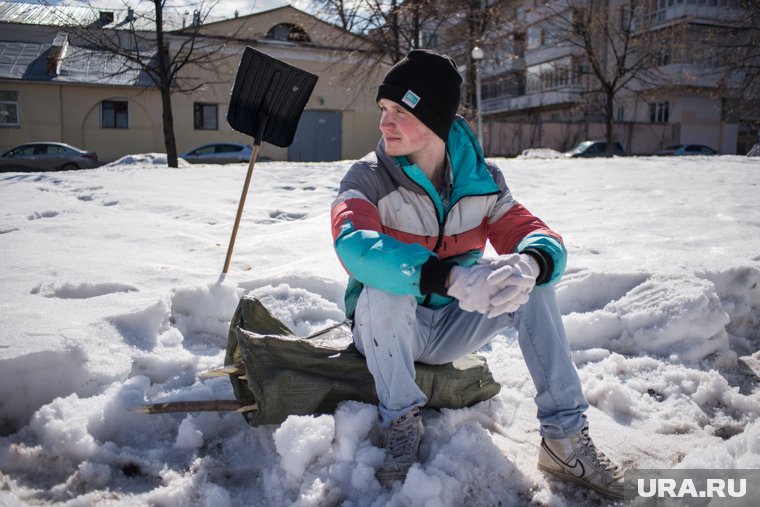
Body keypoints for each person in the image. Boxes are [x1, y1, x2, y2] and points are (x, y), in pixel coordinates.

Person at [330, 49, 624, 499]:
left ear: (435, 119)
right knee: (384, 289)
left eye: (399, 111)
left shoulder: (482, 180)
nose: (384, 123)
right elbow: (355, 246)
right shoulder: (367, 177)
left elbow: (534, 232)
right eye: (383, 111)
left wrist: (530, 262)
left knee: (533, 286)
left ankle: (564, 439)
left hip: (450, 323)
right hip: (385, 328)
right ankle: (401, 423)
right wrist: (445, 278)